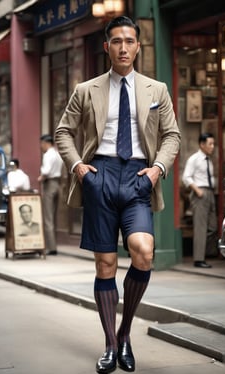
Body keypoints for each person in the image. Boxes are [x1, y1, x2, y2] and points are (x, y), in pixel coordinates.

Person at [55, 16, 180, 374]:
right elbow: (64, 132)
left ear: (138, 46)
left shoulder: (157, 90)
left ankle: (125, 332)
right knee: (105, 264)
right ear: (106, 46)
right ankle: (112, 344)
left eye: (129, 41)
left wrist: (157, 170)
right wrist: (79, 167)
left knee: (143, 251)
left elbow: (172, 136)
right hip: (101, 175)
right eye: (116, 41)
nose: (123, 47)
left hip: (141, 177)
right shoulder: (86, 89)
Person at [182, 133, 218, 269]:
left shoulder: (208, 160)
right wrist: (197, 190)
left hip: (210, 192)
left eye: (213, 144)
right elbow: (186, 177)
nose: (212, 147)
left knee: (213, 226)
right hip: (200, 193)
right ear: (202, 144)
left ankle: (206, 252)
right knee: (200, 227)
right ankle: (198, 259)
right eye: (210, 144)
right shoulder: (194, 159)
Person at [37, 134, 63, 256]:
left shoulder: (48, 155)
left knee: (48, 217)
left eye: (41, 143)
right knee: (53, 216)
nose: (41, 146)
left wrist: (41, 177)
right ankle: (53, 244)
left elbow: (46, 171)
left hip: (49, 184)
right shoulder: (57, 154)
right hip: (58, 184)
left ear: (46, 143)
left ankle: (51, 247)